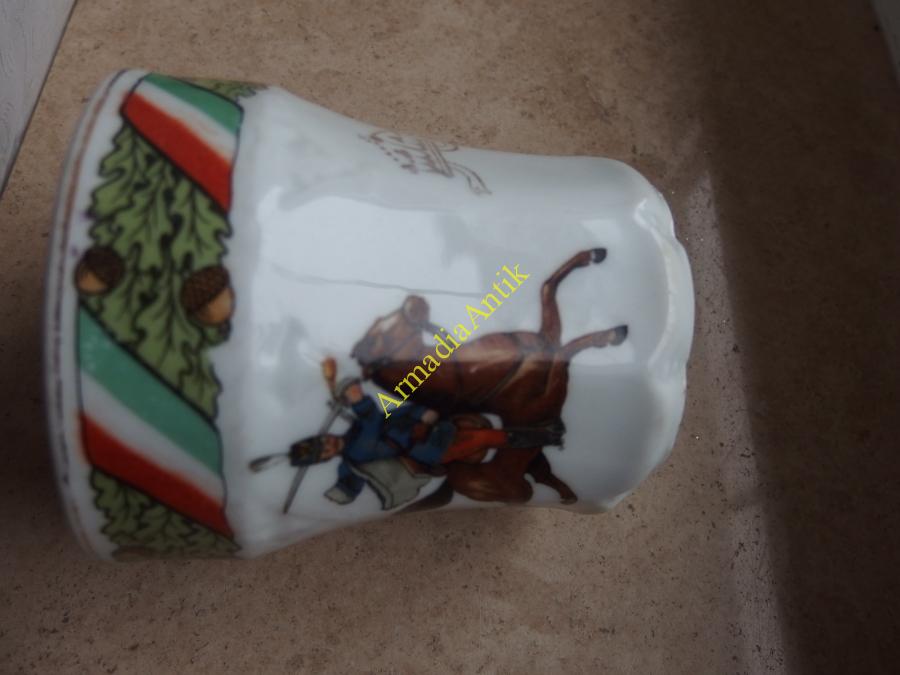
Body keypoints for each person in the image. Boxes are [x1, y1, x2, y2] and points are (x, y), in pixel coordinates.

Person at [289, 381, 562, 509]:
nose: (329, 443)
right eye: (325, 450)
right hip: (422, 450)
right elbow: (372, 421)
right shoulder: (355, 452)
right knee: (479, 438)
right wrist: (358, 400)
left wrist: (420, 413)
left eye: (323, 440)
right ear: (326, 458)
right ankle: (547, 436)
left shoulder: (353, 433)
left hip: (414, 427)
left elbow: (389, 417)